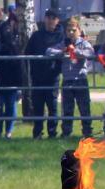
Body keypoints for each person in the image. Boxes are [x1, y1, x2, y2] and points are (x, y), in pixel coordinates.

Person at [48, 17, 94, 138]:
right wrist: (62, 52)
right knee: (67, 109)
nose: (71, 33)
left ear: (79, 30)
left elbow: (90, 53)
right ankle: (66, 132)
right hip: (67, 80)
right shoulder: (63, 43)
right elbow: (48, 51)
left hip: (80, 80)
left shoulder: (83, 43)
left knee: (84, 108)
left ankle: (87, 133)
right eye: (69, 30)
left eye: (74, 30)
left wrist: (76, 52)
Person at [24, 10, 63, 139]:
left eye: (53, 18)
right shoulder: (36, 35)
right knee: (38, 106)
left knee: (52, 106)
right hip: (37, 76)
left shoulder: (61, 36)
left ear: (57, 20)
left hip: (53, 77)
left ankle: (52, 133)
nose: (50, 20)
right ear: (45, 19)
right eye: (48, 17)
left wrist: (57, 68)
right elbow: (27, 52)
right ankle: (37, 133)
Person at [0, 13, 22, 139]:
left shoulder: (18, 36)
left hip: (12, 74)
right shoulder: (0, 31)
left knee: (10, 104)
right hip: (1, 73)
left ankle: (8, 131)